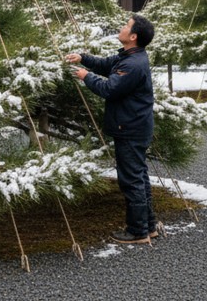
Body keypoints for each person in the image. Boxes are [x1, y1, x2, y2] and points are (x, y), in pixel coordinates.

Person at [66, 14, 157, 244]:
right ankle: (148, 226)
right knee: (139, 176)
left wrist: (86, 77)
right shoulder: (130, 56)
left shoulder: (133, 64)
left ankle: (137, 231)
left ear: (133, 36)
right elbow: (108, 65)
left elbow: (109, 89)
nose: (122, 27)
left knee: (131, 179)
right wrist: (83, 58)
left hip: (130, 128)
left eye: (126, 26)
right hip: (133, 125)